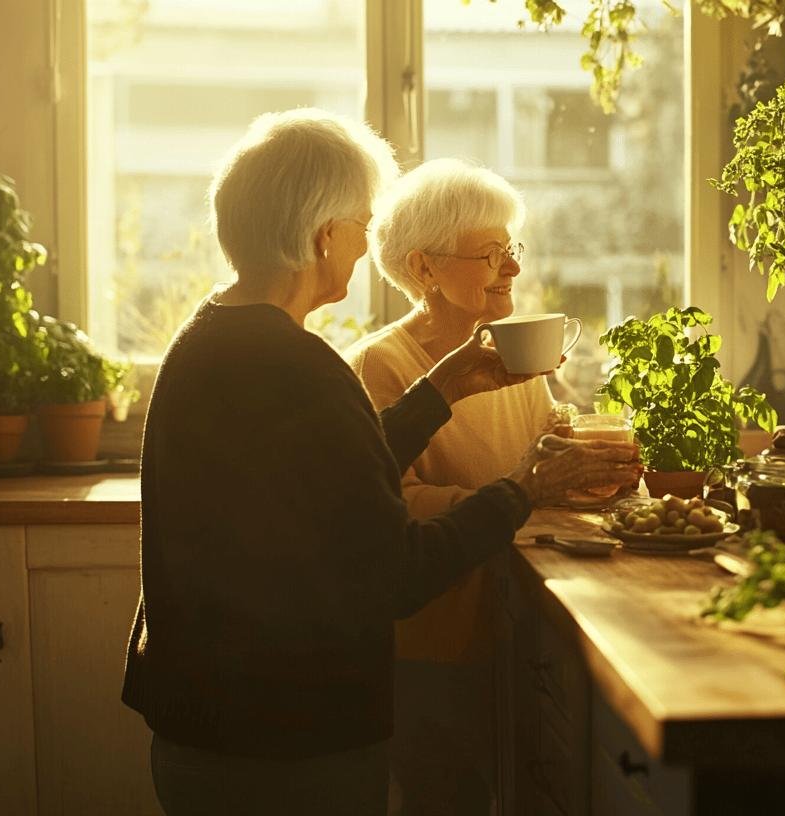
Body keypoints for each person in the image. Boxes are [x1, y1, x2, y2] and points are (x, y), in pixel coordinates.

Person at [121, 109, 639, 816]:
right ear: (322, 234)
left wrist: (443, 388)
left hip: (213, 727)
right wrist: (523, 489)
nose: (368, 246)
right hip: (284, 745)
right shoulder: (299, 367)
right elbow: (395, 571)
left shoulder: (213, 339)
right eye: (362, 225)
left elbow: (330, 473)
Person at [344, 158, 641, 814]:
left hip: (518, 623)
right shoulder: (378, 367)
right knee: (446, 800)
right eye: (490, 253)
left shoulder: (515, 358)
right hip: (435, 645)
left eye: (511, 249)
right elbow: (386, 507)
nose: (511, 268)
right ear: (424, 269)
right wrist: (524, 492)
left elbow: (542, 460)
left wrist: (594, 469)